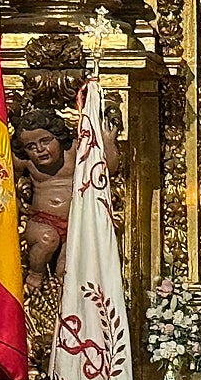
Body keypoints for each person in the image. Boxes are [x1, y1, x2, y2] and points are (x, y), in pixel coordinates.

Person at [11, 108, 120, 289]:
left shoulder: (74, 150)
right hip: (42, 220)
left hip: (76, 223)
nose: (39, 150)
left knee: (66, 272)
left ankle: (65, 308)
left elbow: (106, 168)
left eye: (46, 141)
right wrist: (14, 201)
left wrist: (108, 142)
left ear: (59, 138)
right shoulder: (25, 162)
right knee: (47, 239)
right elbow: (5, 179)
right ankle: (35, 273)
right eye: (31, 147)